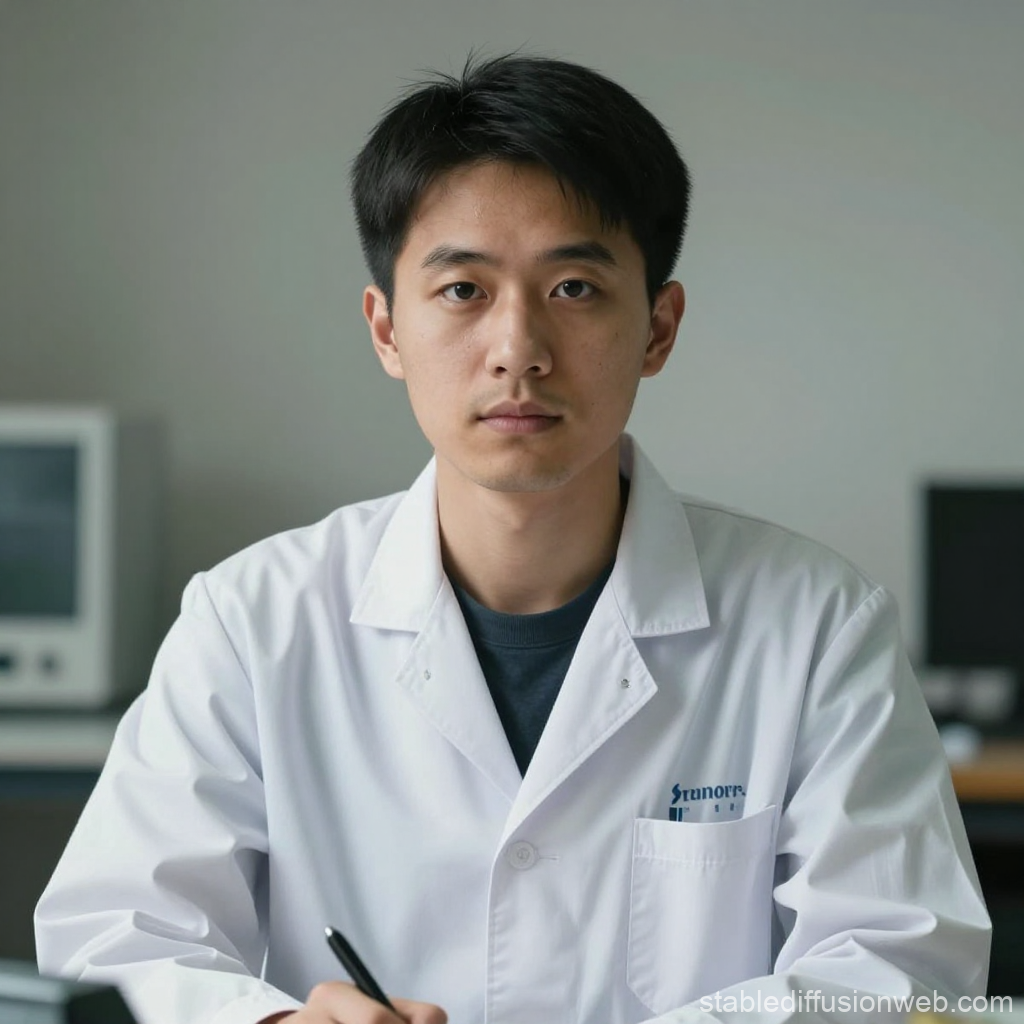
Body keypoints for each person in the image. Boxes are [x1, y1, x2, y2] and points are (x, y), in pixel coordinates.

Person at [35, 53, 990, 1024]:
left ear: (658, 327)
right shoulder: (251, 619)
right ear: (386, 329)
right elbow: (115, 937)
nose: (517, 348)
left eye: (574, 287)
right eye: (462, 291)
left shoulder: (817, 624)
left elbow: (903, 969)